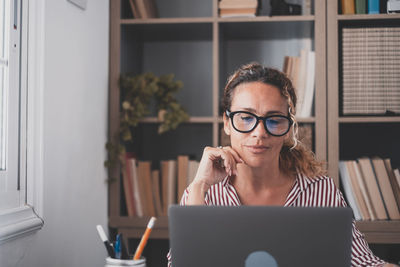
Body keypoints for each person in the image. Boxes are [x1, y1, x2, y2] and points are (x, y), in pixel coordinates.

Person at [167, 62, 398, 267]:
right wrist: (199, 186)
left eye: (274, 120)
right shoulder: (202, 193)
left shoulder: (319, 190)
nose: (259, 133)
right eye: (246, 118)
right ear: (227, 123)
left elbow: (365, 263)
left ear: (288, 127)